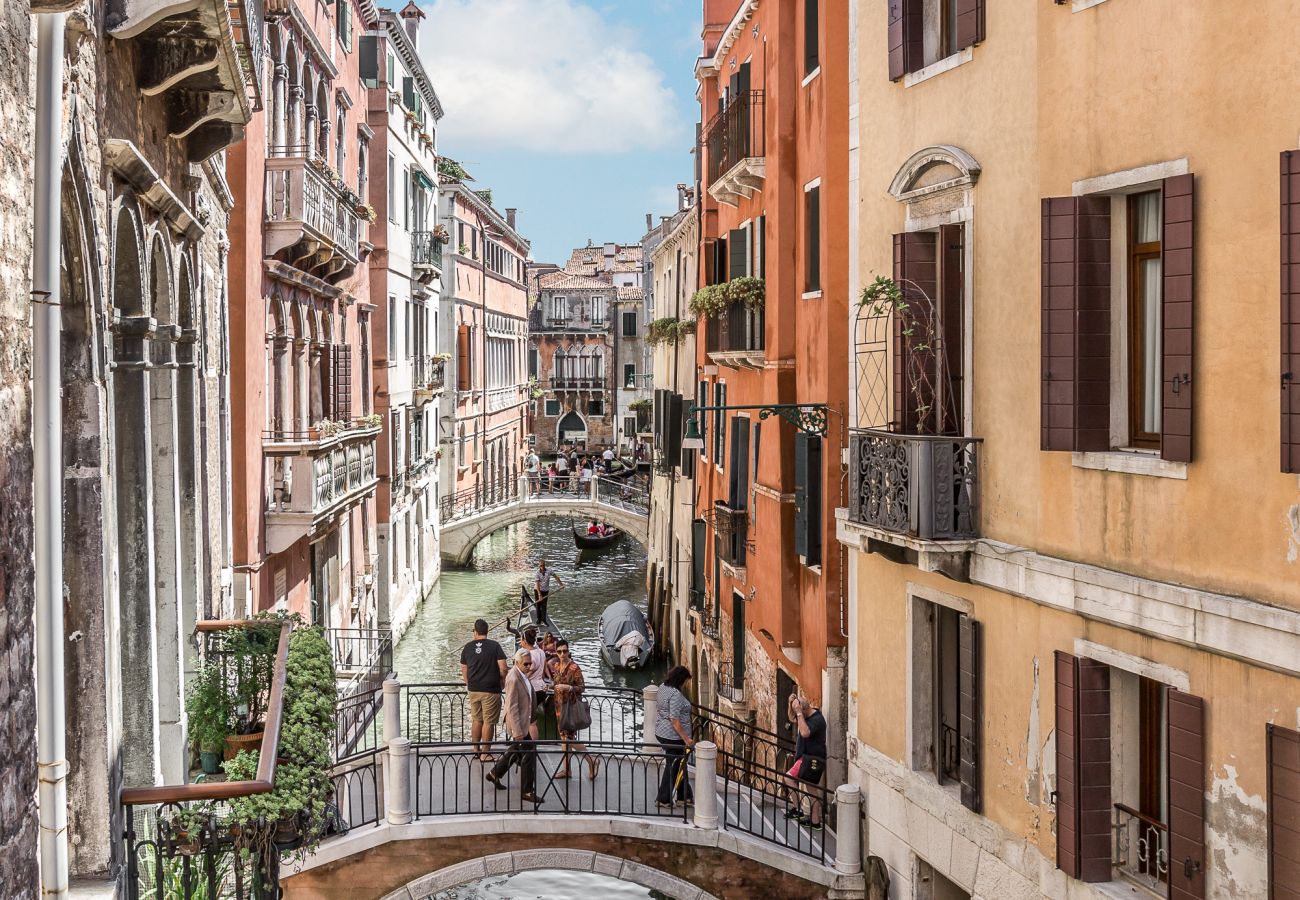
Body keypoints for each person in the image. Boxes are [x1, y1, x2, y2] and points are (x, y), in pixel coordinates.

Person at [486, 650, 539, 803]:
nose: (529, 667)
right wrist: (517, 731)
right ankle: (527, 791)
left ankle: (494, 773)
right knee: (529, 754)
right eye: (526, 664)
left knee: (516, 750)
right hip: (518, 725)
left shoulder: (521, 674)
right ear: (517, 663)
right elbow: (511, 706)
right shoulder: (514, 678)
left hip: (523, 722)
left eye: (530, 663)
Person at [548, 638, 599, 780]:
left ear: (568, 651)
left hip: (570, 707)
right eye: (559, 651)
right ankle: (567, 770)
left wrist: (569, 687)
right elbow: (556, 683)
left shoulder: (574, 668)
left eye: (565, 651)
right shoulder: (557, 666)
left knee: (569, 739)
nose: (562, 654)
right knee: (564, 739)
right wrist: (550, 686)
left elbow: (582, 687)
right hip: (559, 707)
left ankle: (591, 760)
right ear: (556, 653)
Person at [459, 619, 508, 762]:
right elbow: (503, 667)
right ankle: (485, 754)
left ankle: (476, 749)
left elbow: (464, 667)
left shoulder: (467, 647)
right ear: (487, 631)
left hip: (473, 690)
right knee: (489, 722)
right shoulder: (495, 646)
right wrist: (502, 680)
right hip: (491, 690)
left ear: (475, 632)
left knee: (477, 720)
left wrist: (468, 682)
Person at [782, 694, 828, 829]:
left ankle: (798, 810)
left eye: (799, 712)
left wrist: (799, 713)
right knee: (812, 792)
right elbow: (792, 719)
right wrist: (793, 707)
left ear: (804, 710)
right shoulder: (807, 716)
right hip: (810, 759)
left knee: (788, 778)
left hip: (809, 759)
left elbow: (805, 733)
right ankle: (815, 822)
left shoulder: (817, 719)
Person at [654, 665, 695, 808]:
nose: (686, 684)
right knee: (673, 765)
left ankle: (685, 797)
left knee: (679, 763)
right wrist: (686, 739)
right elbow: (675, 720)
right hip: (673, 736)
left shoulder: (662, 687)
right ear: (681, 679)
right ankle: (663, 799)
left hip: (661, 731)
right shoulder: (676, 694)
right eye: (686, 681)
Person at [519, 626, 548, 740]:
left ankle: (531, 745)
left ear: (525, 641)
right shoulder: (541, 651)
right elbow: (543, 670)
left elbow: (528, 673)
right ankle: (528, 742)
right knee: (530, 719)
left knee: (530, 720)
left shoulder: (529, 655)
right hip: (541, 687)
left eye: (521, 640)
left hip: (532, 690)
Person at [533, 559, 565, 627]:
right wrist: (539, 595)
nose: (542, 567)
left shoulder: (549, 570)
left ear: (545, 565)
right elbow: (537, 584)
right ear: (539, 566)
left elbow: (556, 577)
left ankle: (544, 620)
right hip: (537, 590)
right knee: (538, 605)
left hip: (545, 590)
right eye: (541, 566)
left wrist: (561, 584)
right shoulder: (537, 573)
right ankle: (539, 620)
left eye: (543, 565)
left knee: (544, 605)